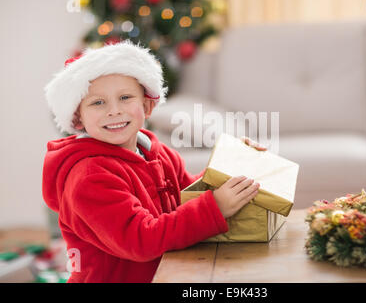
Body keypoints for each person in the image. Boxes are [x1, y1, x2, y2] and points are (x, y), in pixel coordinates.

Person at [42, 40, 266, 283]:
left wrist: (229, 165)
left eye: (125, 97)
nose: (114, 110)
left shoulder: (157, 153)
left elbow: (188, 194)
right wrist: (215, 208)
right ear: (78, 119)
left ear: (147, 106)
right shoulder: (88, 178)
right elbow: (141, 240)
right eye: (98, 102)